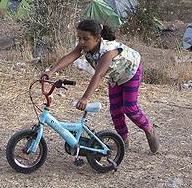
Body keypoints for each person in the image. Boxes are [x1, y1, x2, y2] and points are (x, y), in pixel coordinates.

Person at [42, 20, 159, 153]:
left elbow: (98, 75)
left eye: (86, 39)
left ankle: (149, 130)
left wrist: (85, 98)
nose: (81, 42)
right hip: (115, 76)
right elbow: (71, 56)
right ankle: (122, 140)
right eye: (79, 38)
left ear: (97, 38)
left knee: (129, 108)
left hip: (130, 71)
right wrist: (51, 71)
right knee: (115, 110)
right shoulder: (84, 46)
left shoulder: (108, 51)